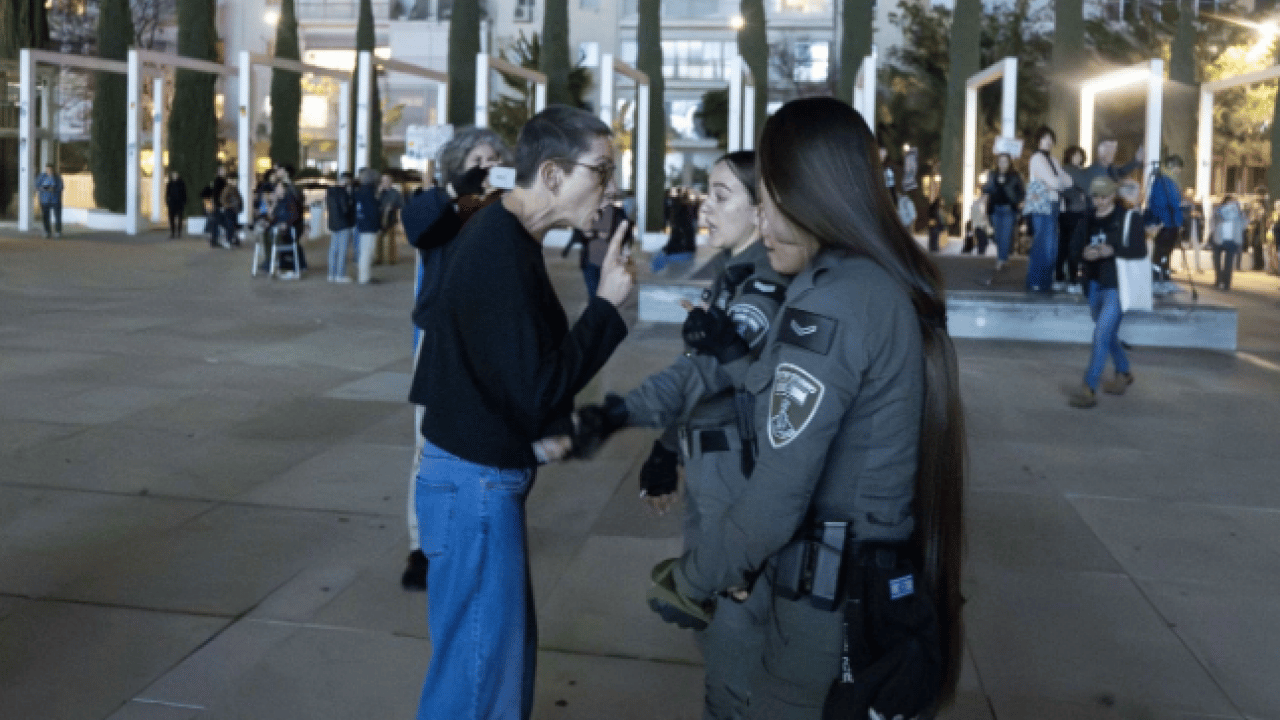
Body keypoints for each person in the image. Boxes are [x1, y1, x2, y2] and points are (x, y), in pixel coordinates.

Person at [645, 97, 965, 720]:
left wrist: (692, 579)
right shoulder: (863, 281)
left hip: (822, 609)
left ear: (813, 197)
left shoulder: (836, 300)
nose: (760, 219)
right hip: (845, 589)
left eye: (768, 197)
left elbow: (779, 492)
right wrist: (738, 357)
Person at [408, 105, 635, 720]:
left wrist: (543, 431)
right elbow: (537, 383)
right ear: (555, 175)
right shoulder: (501, 246)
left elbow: (494, 362)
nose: (611, 188)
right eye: (603, 171)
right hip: (475, 487)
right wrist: (608, 310)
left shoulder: (502, 230)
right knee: (480, 687)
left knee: (482, 668)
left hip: (468, 479)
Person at [581, 151, 790, 720]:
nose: (707, 203)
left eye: (723, 195)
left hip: (734, 475)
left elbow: (709, 373)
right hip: (710, 466)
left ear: (761, 210)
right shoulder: (732, 274)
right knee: (715, 623)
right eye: (708, 191)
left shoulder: (762, 283)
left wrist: (625, 413)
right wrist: (665, 451)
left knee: (733, 627)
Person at [399, 126, 512, 591]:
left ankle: (477, 525)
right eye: (474, 161)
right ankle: (421, 544)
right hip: (442, 341)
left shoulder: (508, 212)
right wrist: (452, 192)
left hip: (492, 342)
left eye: (491, 160)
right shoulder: (440, 207)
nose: (482, 169)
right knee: (430, 443)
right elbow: (417, 224)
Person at [1068, 176, 1147, 408]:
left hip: (1118, 285)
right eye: (1095, 197)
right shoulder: (1087, 218)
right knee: (1107, 333)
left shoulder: (1127, 217)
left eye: (1103, 196)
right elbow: (1073, 248)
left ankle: (1088, 387)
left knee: (1101, 334)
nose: (1098, 201)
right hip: (1093, 283)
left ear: (1113, 195)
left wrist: (1111, 250)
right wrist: (1084, 253)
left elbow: (1139, 250)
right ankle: (1123, 371)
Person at [1023, 126, 1073, 292]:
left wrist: (1057, 181)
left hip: (1053, 203)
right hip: (1043, 204)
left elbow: (1069, 182)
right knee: (1044, 245)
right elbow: (1057, 182)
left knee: (1050, 245)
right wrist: (1057, 181)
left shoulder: (1053, 160)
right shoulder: (1037, 158)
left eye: (1051, 138)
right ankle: (1037, 281)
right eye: (1045, 138)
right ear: (1038, 140)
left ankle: (1044, 282)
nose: (1049, 141)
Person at [1145, 155, 1184, 292]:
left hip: (1170, 222)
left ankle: (1164, 278)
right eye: (1178, 168)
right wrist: (1179, 206)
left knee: (1166, 252)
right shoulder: (1165, 181)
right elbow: (1163, 203)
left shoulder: (1166, 181)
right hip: (1167, 222)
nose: (1179, 171)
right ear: (1173, 167)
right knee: (1162, 251)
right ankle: (1158, 279)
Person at [982, 153, 1023, 272]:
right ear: (997, 162)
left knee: (1005, 236)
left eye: (1005, 161)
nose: (1002, 164)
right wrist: (987, 187)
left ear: (1009, 162)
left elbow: (1021, 192)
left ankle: (1000, 260)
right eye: (1000, 161)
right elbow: (987, 189)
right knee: (997, 237)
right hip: (994, 209)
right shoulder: (992, 174)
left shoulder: (1015, 175)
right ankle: (1003, 257)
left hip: (1008, 210)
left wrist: (1018, 201)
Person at [1058, 145, 1090, 293]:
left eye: (1080, 155)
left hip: (1068, 212)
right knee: (1074, 246)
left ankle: (1060, 278)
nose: (1078, 157)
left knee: (1064, 245)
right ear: (1069, 156)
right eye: (1075, 155)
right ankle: (1072, 279)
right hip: (1076, 212)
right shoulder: (1072, 170)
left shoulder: (1066, 170)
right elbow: (1087, 186)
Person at [326, 172, 357, 283]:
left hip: (334, 224)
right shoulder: (343, 192)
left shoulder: (330, 191)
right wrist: (350, 199)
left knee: (333, 249)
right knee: (342, 250)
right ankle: (340, 275)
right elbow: (346, 209)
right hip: (344, 224)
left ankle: (331, 274)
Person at [353, 168, 381, 284]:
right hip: (369, 225)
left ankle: (364, 276)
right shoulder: (370, 193)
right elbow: (373, 211)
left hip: (362, 224)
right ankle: (364, 277)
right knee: (367, 252)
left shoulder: (360, 191)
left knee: (364, 251)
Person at [1212, 195, 1243, 291]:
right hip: (1219, 239)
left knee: (1228, 263)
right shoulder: (1218, 211)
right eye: (1229, 202)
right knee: (1216, 261)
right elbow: (1212, 221)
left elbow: (1244, 223)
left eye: (1233, 202)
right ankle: (1218, 279)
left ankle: (1226, 283)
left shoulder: (1238, 212)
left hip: (1232, 240)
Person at [375, 174, 405, 266]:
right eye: (383, 181)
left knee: (392, 241)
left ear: (391, 182)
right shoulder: (379, 192)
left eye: (387, 181)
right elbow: (374, 202)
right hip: (379, 219)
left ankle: (392, 259)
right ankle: (378, 259)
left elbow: (402, 204)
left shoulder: (396, 193)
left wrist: (393, 207)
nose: (385, 182)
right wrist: (378, 192)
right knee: (378, 240)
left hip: (391, 219)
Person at [35, 164, 64, 239]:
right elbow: (37, 186)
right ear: (45, 169)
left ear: (53, 170)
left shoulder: (57, 177)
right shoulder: (42, 176)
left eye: (50, 169)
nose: (49, 171)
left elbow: (61, 187)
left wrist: (54, 189)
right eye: (47, 169)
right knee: (45, 217)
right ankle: (47, 232)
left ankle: (58, 231)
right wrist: (43, 188)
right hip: (45, 200)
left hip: (55, 200)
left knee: (57, 216)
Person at [207, 165, 230, 248]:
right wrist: (221, 205)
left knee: (217, 223)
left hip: (218, 205)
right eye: (222, 170)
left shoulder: (220, 181)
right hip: (219, 205)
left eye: (224, 170)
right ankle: (214, 240)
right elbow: (217, 195)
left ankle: (214, 240)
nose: (224, 172)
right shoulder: (220, 181)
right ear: (219, 172)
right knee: (220, 222)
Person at [963, 189, 990, 256]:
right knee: (983, 242)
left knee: (983, 242)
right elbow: (983, 215)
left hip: (979, 225)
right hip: (981, 225)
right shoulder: (981, 202)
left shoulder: (977, 202)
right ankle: (980, 256)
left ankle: (980, 255)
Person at [219, 177, 244, 247]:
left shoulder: (234, 189)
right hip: (230, 210)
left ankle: (232, 240)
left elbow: (239, 199)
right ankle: (229, 240)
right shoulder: (228, 189)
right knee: (231, 225)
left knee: (233, 225)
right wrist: (229, 205)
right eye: (232, 180)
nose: (234, 181)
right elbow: (223, 199)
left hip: (233, 210)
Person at [165, 170, 187, 239]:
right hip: (172, 204)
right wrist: (168, 202)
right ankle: (173, 233)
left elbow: (184, 193)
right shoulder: (169, 184)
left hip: (179, 204)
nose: (174, 176)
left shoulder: (181, 183)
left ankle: (179, 233)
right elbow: (167, 194)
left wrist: (183, 202)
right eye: (173, 175)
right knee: (171, 219)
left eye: (176, 175)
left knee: (179, 219)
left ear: (177, 176)